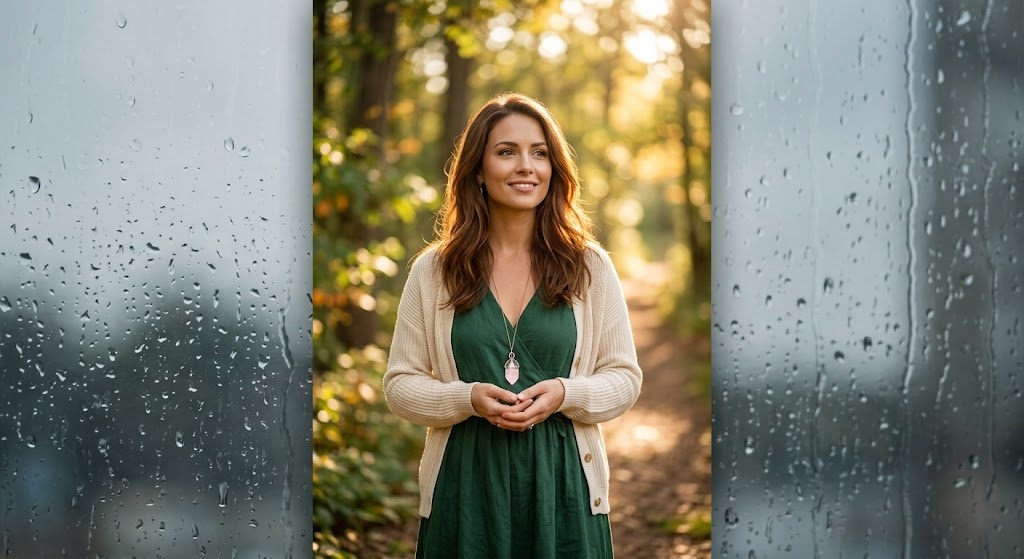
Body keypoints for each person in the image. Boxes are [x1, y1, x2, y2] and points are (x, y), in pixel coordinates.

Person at [383, 92, 642, 558]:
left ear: (554, 168)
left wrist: (567, 392)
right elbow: (401, 385)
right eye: (507, 152)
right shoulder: (434, 271)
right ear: (478, 170)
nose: (526, 166)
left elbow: (624, 378)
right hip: (464, 488)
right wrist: (466, 399)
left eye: (539, 153)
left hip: (565, 489)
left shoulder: (589, 267)